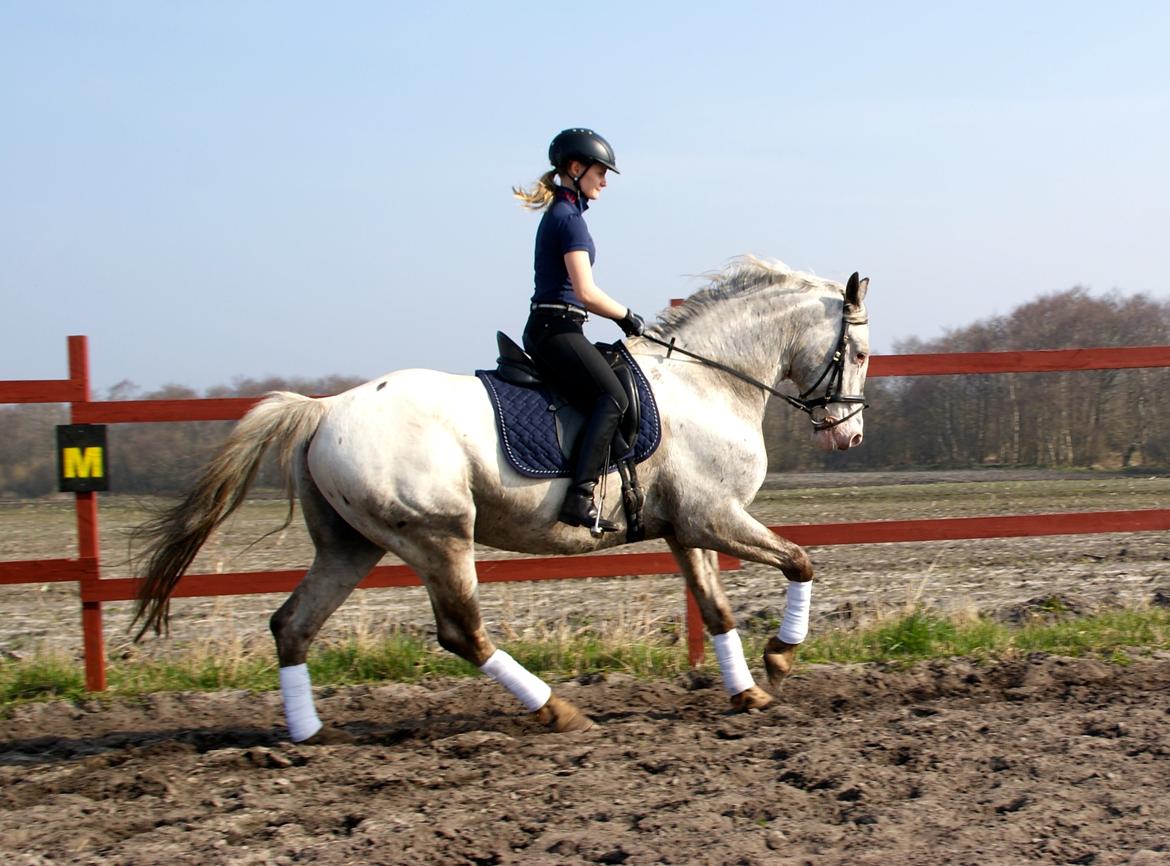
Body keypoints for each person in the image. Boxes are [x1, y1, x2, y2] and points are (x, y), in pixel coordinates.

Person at [513, 128, 647, 532]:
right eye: (600, 172)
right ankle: (580, 496)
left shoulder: (564, 214)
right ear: (576, 168)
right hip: (556, 329)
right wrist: (627, 316)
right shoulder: (568, 220)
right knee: (614, 396)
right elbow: (586, 292)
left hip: (557, 326)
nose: (604, 181)